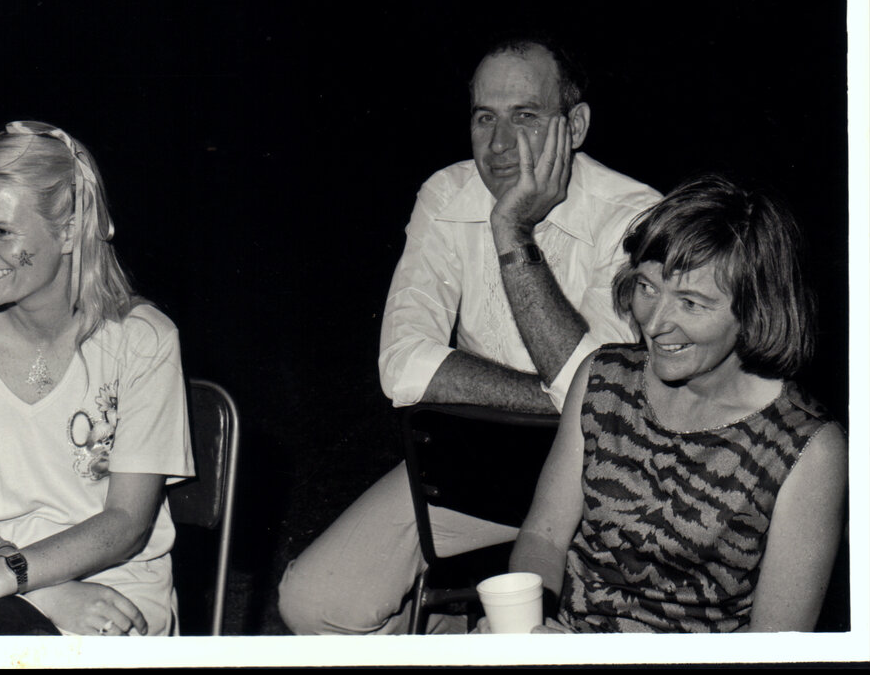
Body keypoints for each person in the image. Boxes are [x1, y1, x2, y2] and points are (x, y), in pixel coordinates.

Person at [278, 35, 662, 634]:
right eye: (485, 117)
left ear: (576, 124)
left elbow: (597, 401)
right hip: (468, 476)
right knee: (313, 602)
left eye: (526, 117)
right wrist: (548, 398)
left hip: (594, 490)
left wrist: (511, 228)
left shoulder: (636, 217)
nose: (500, 143)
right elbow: (402, 365)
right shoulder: (447, 193)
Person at [496, 174, 847, 633]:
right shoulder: (602, 379)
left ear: (756, 309)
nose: (656, 323)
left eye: (691, 302)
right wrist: (526, 631)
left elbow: (775, 647)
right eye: (647, 287)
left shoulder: (805, 447)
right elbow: (543, 536)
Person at [0, 120, 194, 637]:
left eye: (2, 231)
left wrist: (6, 581)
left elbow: (125, 525)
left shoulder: (142, 341)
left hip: (111, 594)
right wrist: (35, 587)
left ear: (68, 229)